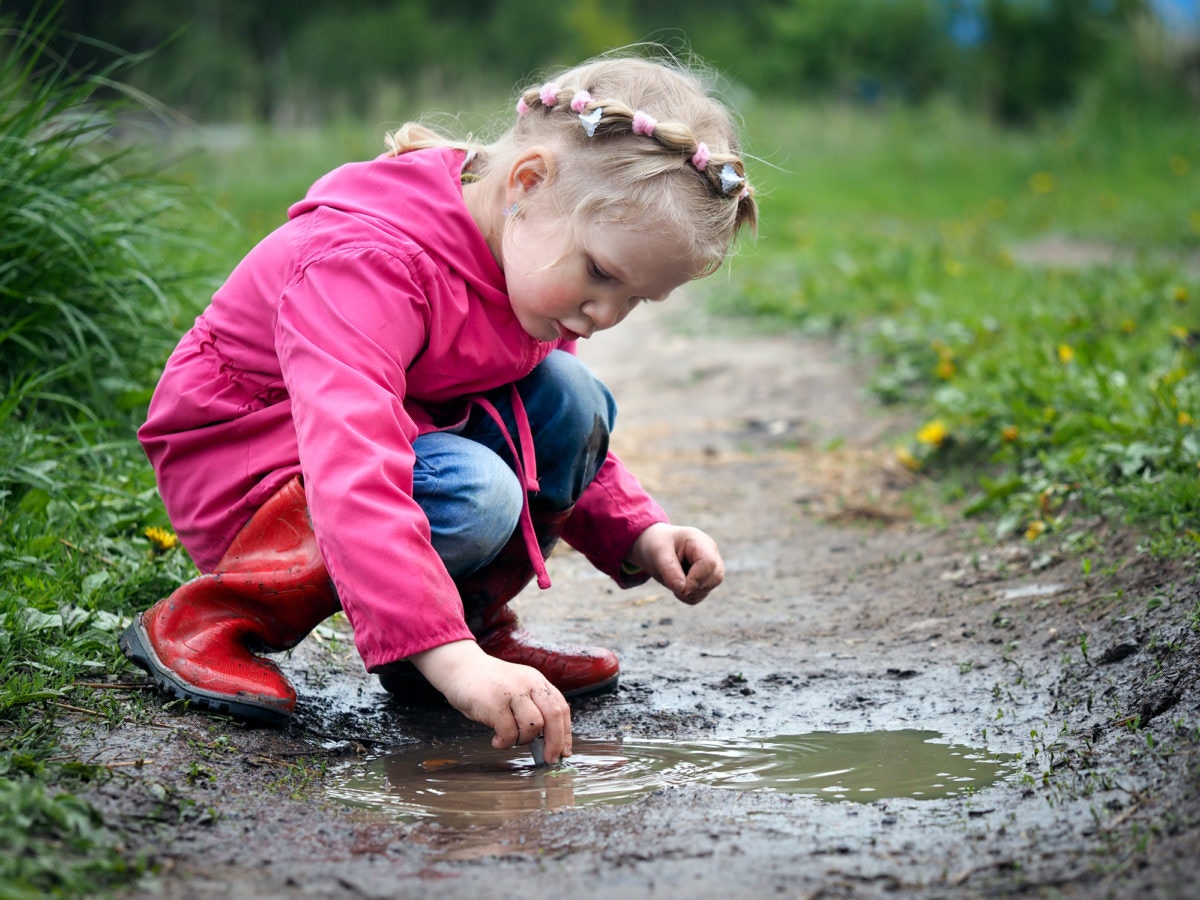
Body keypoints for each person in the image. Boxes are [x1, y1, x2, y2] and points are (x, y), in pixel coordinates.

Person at [120, 52, 757, 766]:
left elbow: (532, 421)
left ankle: (460, 629)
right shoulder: (368, 262)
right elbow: (352, 464)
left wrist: (640, 532)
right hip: (253, 462)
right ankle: (215, 620)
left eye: (635, 298)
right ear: (528, 182)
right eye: (602, 274)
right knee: (479, 496)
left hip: (400, 440)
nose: (605, 313)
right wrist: (453, 664)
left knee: (570, 398)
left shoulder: (524, 256)